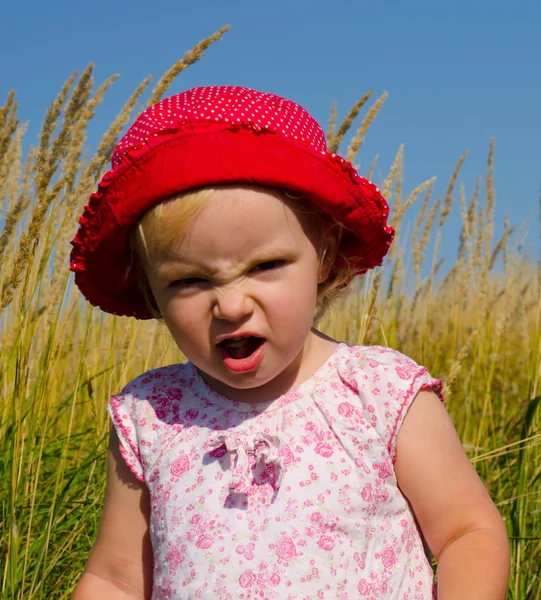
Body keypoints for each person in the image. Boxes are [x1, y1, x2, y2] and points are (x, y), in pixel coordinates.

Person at [70, 86, 509, 600]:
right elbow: (116, 578)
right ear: (150, 288)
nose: (231, 306)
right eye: (189, 281)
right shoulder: (153, 416)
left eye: (266, 266)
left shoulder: (377, 393)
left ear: (322, 254)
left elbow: (466, 532)